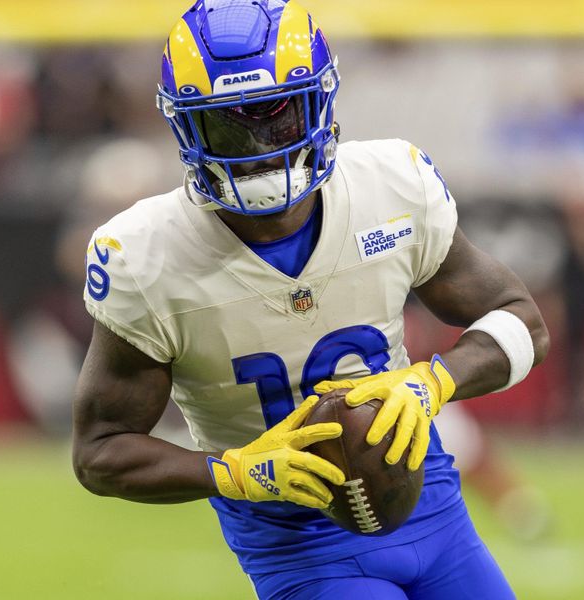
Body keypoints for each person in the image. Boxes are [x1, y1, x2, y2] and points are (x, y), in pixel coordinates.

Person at [72, 1, 549, 597]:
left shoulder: (391, 185)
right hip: (296, 542)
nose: (258, 148)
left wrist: (433, 382)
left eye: (277, 117)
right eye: (227, 124)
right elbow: (100, 452)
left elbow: (524, 323)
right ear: (184, 126)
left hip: (429, 501)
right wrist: (236, 471)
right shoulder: (145, 255)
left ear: (320, 101)